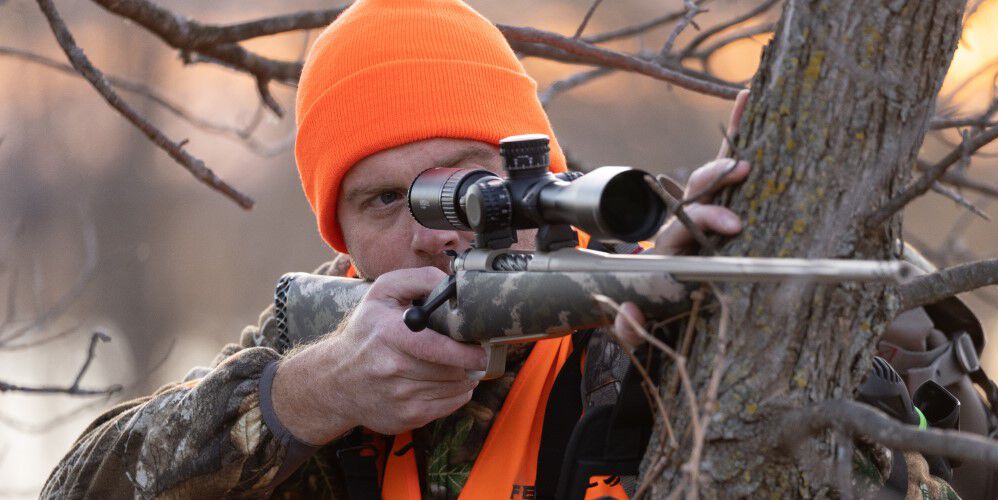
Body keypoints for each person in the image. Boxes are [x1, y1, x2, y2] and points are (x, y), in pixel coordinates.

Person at [41, 0, 750, 497]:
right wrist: (313, 395)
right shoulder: (321, 343)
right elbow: (79, 484)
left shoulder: (634, 323)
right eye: (386, 198)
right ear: (340, 239)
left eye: (474, 179)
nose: (439, 229)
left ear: (543, 176)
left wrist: (700, 312)